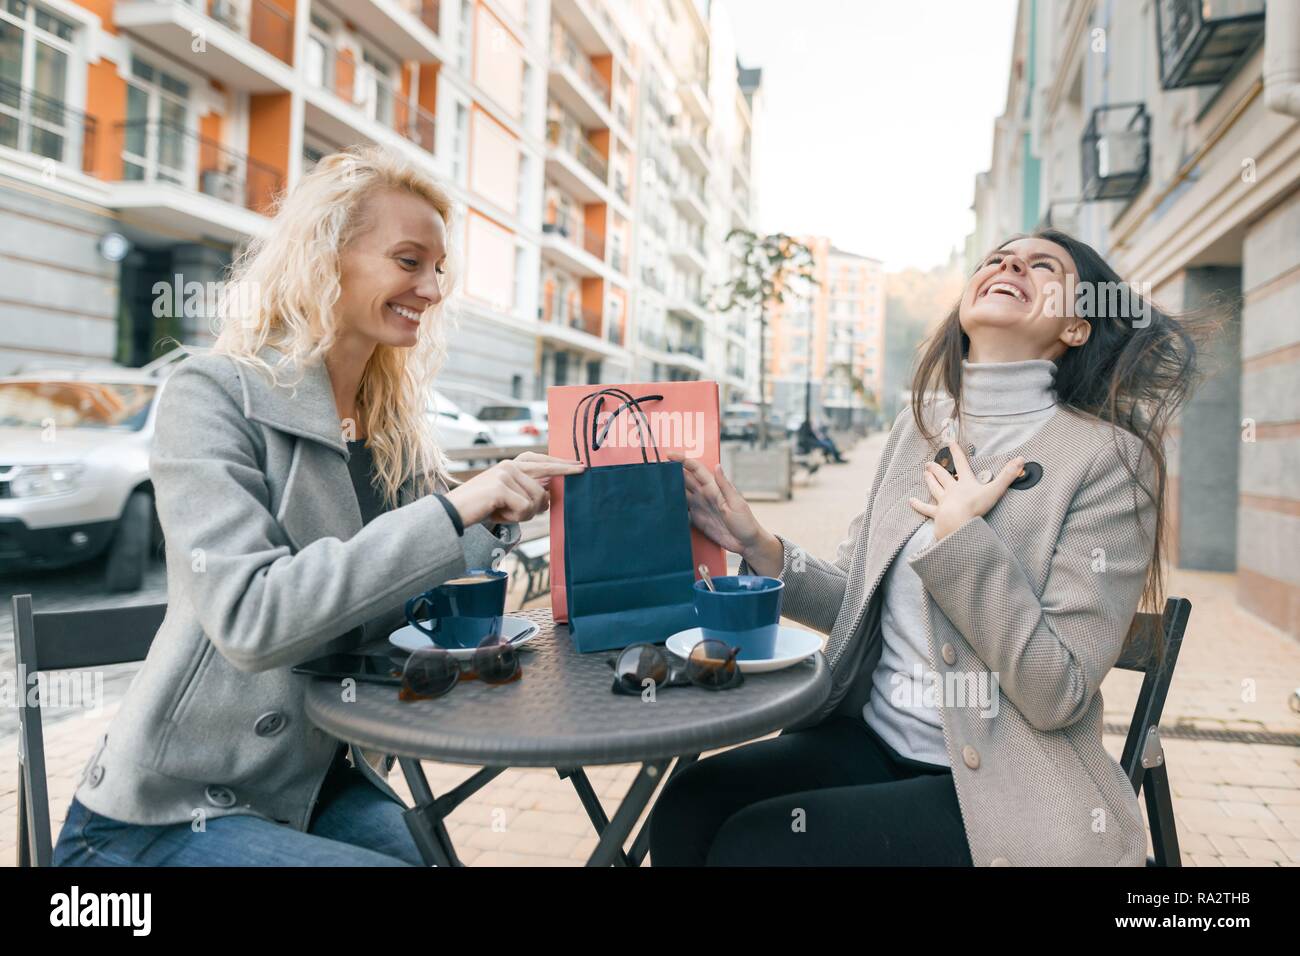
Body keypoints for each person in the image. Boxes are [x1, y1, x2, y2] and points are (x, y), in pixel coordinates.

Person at [52, 144, 584, 866]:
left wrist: (513, 512)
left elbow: (412, 601)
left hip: (315, 785)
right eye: (408, 261)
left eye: (439, 270)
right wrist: (457, 511)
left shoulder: (392, 429)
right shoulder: (210, 396)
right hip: (161, 816)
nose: (432, 289)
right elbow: (252, 618)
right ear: (327, 257)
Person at [649, 229, 1210, 866]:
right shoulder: (920, 427)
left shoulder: (1108, 460)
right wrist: (758, 544)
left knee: (757, 850)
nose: (1009, 264)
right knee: (688, 803)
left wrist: (963, 541)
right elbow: (859, 605)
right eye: (997, 258)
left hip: (999, 787)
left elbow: (1059, 692)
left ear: (1078, 326)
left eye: (1042, 265)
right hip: (872, 738)